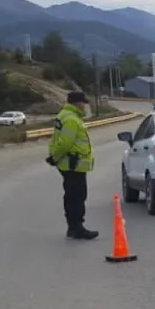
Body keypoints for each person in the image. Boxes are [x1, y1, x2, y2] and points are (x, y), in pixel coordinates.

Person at [46, 90, 96, 239]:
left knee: (72, 195)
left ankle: (73, 227)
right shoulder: (72, 119)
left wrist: (54, 157)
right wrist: (55, 156)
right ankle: (77, 227)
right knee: (77, 196)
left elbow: (57, 140)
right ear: (77, 103)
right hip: (73, 164)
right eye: (83, 103)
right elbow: (65, 143)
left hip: (69, 164)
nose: (84, 106)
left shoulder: (64, 116)